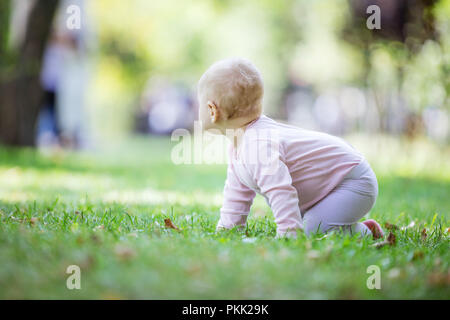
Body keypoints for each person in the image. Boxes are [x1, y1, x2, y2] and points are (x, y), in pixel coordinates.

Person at [197, 58, 384, 239]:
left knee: (312, 229)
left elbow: (280, 191)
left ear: (212, 110)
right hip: (333, 185)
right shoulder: (239, 145)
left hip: (351, 181)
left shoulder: (258, 144)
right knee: (312, 222)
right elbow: (237, 194)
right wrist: (228, 229)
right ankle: (348, 226)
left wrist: (289, 233)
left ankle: (366, 233)